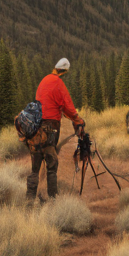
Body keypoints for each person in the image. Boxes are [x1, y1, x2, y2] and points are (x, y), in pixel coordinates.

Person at [26, 58, 85, 201]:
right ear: (64, 70)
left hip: (36, 128)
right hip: (50, 129)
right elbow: (67, 105)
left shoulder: (44, 80)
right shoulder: (58, 83)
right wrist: (77, 120)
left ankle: (28, 201)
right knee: (51, 164)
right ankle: (53, 201)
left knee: (35, 167)